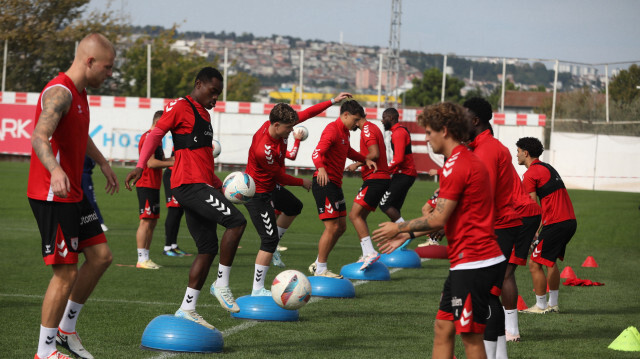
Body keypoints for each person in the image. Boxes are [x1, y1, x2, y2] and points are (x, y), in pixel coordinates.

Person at [372, 102, 505, 359]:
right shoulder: (460, 161)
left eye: (430, 132)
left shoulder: (459, 165)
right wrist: (406, 234)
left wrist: (398, 227)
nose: (426, 138)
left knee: (471, 338)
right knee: (443, 327)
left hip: (475, 262)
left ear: (444, 130)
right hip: (467, 262)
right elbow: (447, 219)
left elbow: (437, 219)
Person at [125, 67, 247, 329]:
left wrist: (223, 186)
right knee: (236, 223)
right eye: (212, 92)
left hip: (202, 184)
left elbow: (202, 160)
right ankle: (222, 284)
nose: (215, 98)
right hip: (189, 186)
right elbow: (156, 133)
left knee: (207, 248)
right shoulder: (181, 106)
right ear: (198, 84)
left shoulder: (204, 114)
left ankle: (187, 308)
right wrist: (139, 165)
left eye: (219, 94)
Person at [28, 33, 118, 359]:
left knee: (100, 257)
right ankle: (44, 352)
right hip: (53, 194)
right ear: (89, 61)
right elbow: (39, 136)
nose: (110, 74)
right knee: (66, 273)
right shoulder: (60, 92)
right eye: (107, 68)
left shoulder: (81, 94)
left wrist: (104, 162)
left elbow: (80, 135)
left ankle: (66, 332)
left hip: (74, 194)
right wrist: (54, 169)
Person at [244, 93, 351, 295]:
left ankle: (274, 246)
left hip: (270, 186)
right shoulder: (264, 149)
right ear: (276, 125)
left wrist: (333, 101)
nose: (292, 130)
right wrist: (302, 182)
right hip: (258, 193)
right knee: (268, 240)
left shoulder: (282, 126)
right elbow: (279, 176)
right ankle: (257, 289)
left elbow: (309, 113)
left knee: (294, 206)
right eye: (288, 128)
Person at [465, 97, 521, 356]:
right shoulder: (482, 146)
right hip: (498, 226)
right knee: (488, 294)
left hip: (497, 227)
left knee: (484, 294)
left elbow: (482, 193)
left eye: (463, 117)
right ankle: (499, 355)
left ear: (475, 120)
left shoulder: (487, 149)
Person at [309, 100, 376, 278]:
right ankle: (321, 269)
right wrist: (321, 168)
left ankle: (318, 263)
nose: (357, 124)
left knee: (341, 227)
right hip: (324, 184)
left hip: (335, 185)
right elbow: (316, 153)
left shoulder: (345, 132)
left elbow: (348, 151)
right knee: (332, 227)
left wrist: (364, 159)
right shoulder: (332, 129)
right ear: (345, 115)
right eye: (355, 120)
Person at [516, 137, 577, 314]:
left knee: (535, 263)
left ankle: (541, 306)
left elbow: (531, 207)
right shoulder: (547, 167)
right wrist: (537, 231)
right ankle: (553, 304)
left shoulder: (530, 174)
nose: (517, 155)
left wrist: (529, 234)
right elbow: (544, 206)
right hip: (568, 221)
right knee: (549, 262)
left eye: (518, 151)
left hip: (557, 223)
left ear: (526, 153)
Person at [346, 112, 391, 270]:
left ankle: (370, 252)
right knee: (360, 217)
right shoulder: (371, 128)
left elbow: (375, 153)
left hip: (376, 178)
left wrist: (357, 164)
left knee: (354, 215)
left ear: (355, 116)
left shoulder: (367, 129)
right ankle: (367, 253)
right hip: (377, 178)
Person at [134, 110, 175, 269]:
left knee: (152, 221)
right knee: (145, 220)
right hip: (145, 183)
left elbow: (161, 160)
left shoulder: (157, 139)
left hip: (154, 184)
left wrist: (177, 158)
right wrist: (173, 163)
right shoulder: (148, 137)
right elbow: (151, 163)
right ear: (159, 122)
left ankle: (146, 257)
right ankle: (141, 259)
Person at [378, 108, 418, 226]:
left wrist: (384, 170)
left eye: (384, 117)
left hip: (404, 174)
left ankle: (405, 231)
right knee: (394, 208)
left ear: (391, 118)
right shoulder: (399, 131)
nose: (382, 120)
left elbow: (399, 159)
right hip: (404, 174)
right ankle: (397, 240)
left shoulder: (399, 133)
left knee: (384, 204)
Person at [162, 156, 192, 257]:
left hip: (181, 175)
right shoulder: (181, 141)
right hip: (173, 174)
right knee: (173, 211)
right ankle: (167, 247)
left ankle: (173, 245)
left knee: (179, 211)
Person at [82, 156, 108, 232]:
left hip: (85, 175)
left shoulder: (86, 148)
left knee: (90, 200)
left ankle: (99, 222)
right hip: (79, 175)